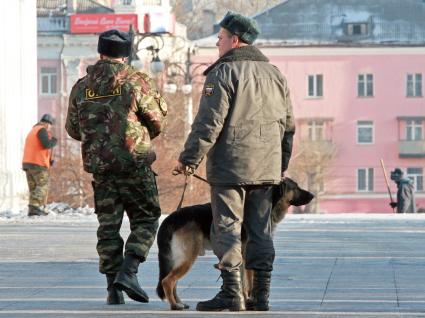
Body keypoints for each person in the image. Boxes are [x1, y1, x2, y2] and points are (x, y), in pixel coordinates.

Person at [174, 12, 295, 312]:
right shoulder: (276, 75)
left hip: (230, 168)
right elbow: (289, 125)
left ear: (235, 40)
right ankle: (261, 296)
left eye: (221, 37)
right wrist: (280, 164)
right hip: (267, 169)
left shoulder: (223, 74)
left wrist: (188, 159)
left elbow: (208, 124)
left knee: (226, 227)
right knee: (260, 231)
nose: (217, 42)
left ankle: (232, 294)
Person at [65, 29, 167, 305]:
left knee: (108, 226)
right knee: (146, 218)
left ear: (100, 53)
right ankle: (129, 270)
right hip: (135, 165)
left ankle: (113, 288)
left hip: (101, 169)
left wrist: (99, 139)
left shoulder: (81, 86)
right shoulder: (138, 82)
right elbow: (158, 122)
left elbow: (73, 129)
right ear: (126, 56)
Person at [22, 114, 57, 216]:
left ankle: (34, 209)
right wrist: (54, 141)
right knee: (42, 185)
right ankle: (34, 206)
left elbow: (38, 148)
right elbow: (46, 144)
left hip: (28, 163)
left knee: (34, 187)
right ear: (46, 123)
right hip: (37, 164)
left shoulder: (33, 130)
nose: (50, 128)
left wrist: (49, 161)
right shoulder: (41, 130)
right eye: (50, 125)